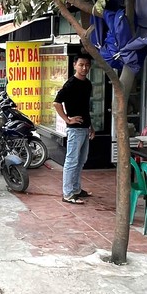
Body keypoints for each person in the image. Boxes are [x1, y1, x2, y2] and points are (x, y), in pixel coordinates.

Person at [53, 53, 96, 204]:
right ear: (74, 65)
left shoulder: (88, 84)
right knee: (72, 161)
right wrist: (67, 119)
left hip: (85, 128)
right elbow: (57, 103)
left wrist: (90, 126)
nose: (84, 68)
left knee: (81, 160)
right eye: (81, 65)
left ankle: (77, 189)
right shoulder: (70, 84)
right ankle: (68, 193)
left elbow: (85, 108)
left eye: (87, 65)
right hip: (74, 129)